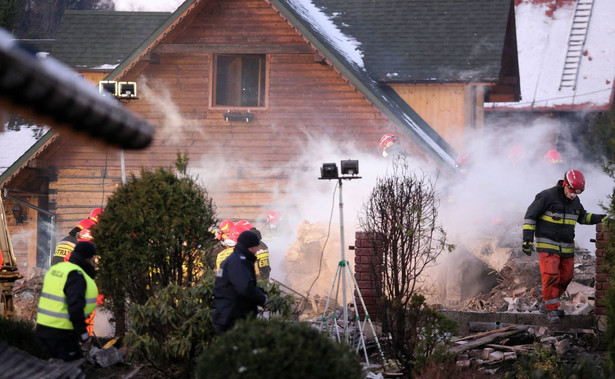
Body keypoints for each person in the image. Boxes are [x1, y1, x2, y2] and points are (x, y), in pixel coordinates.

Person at [522, 169, 605, 324]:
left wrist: (602, 218)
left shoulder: (575, 202)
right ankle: (552, 308)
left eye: (578, 192)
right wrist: (527, 240)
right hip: (547, 244)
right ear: (565, 184)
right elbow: (530, 216)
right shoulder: (547, 196)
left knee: (566, 277)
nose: (573, 194)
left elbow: (583, 217)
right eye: (572, 191)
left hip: (566, 247)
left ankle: (547, 303)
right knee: (551, 276)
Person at [36, 241, 99, 361]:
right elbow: (75, 308)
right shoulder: (76, 275)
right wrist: (84, 336)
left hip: (42, 330)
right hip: (62, 335)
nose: (93, 261)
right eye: (93, 258)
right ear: (87, 258)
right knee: (72, 370)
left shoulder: (57, 269)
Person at [212, 230, 268, 334]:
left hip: (228, 315)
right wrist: (262, 299)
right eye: (257, 246)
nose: (258, 249)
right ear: (250, 246)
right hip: (231, 318)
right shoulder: (238, 262)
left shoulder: (236, 259)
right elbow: (245, 288)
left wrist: (260, 292)